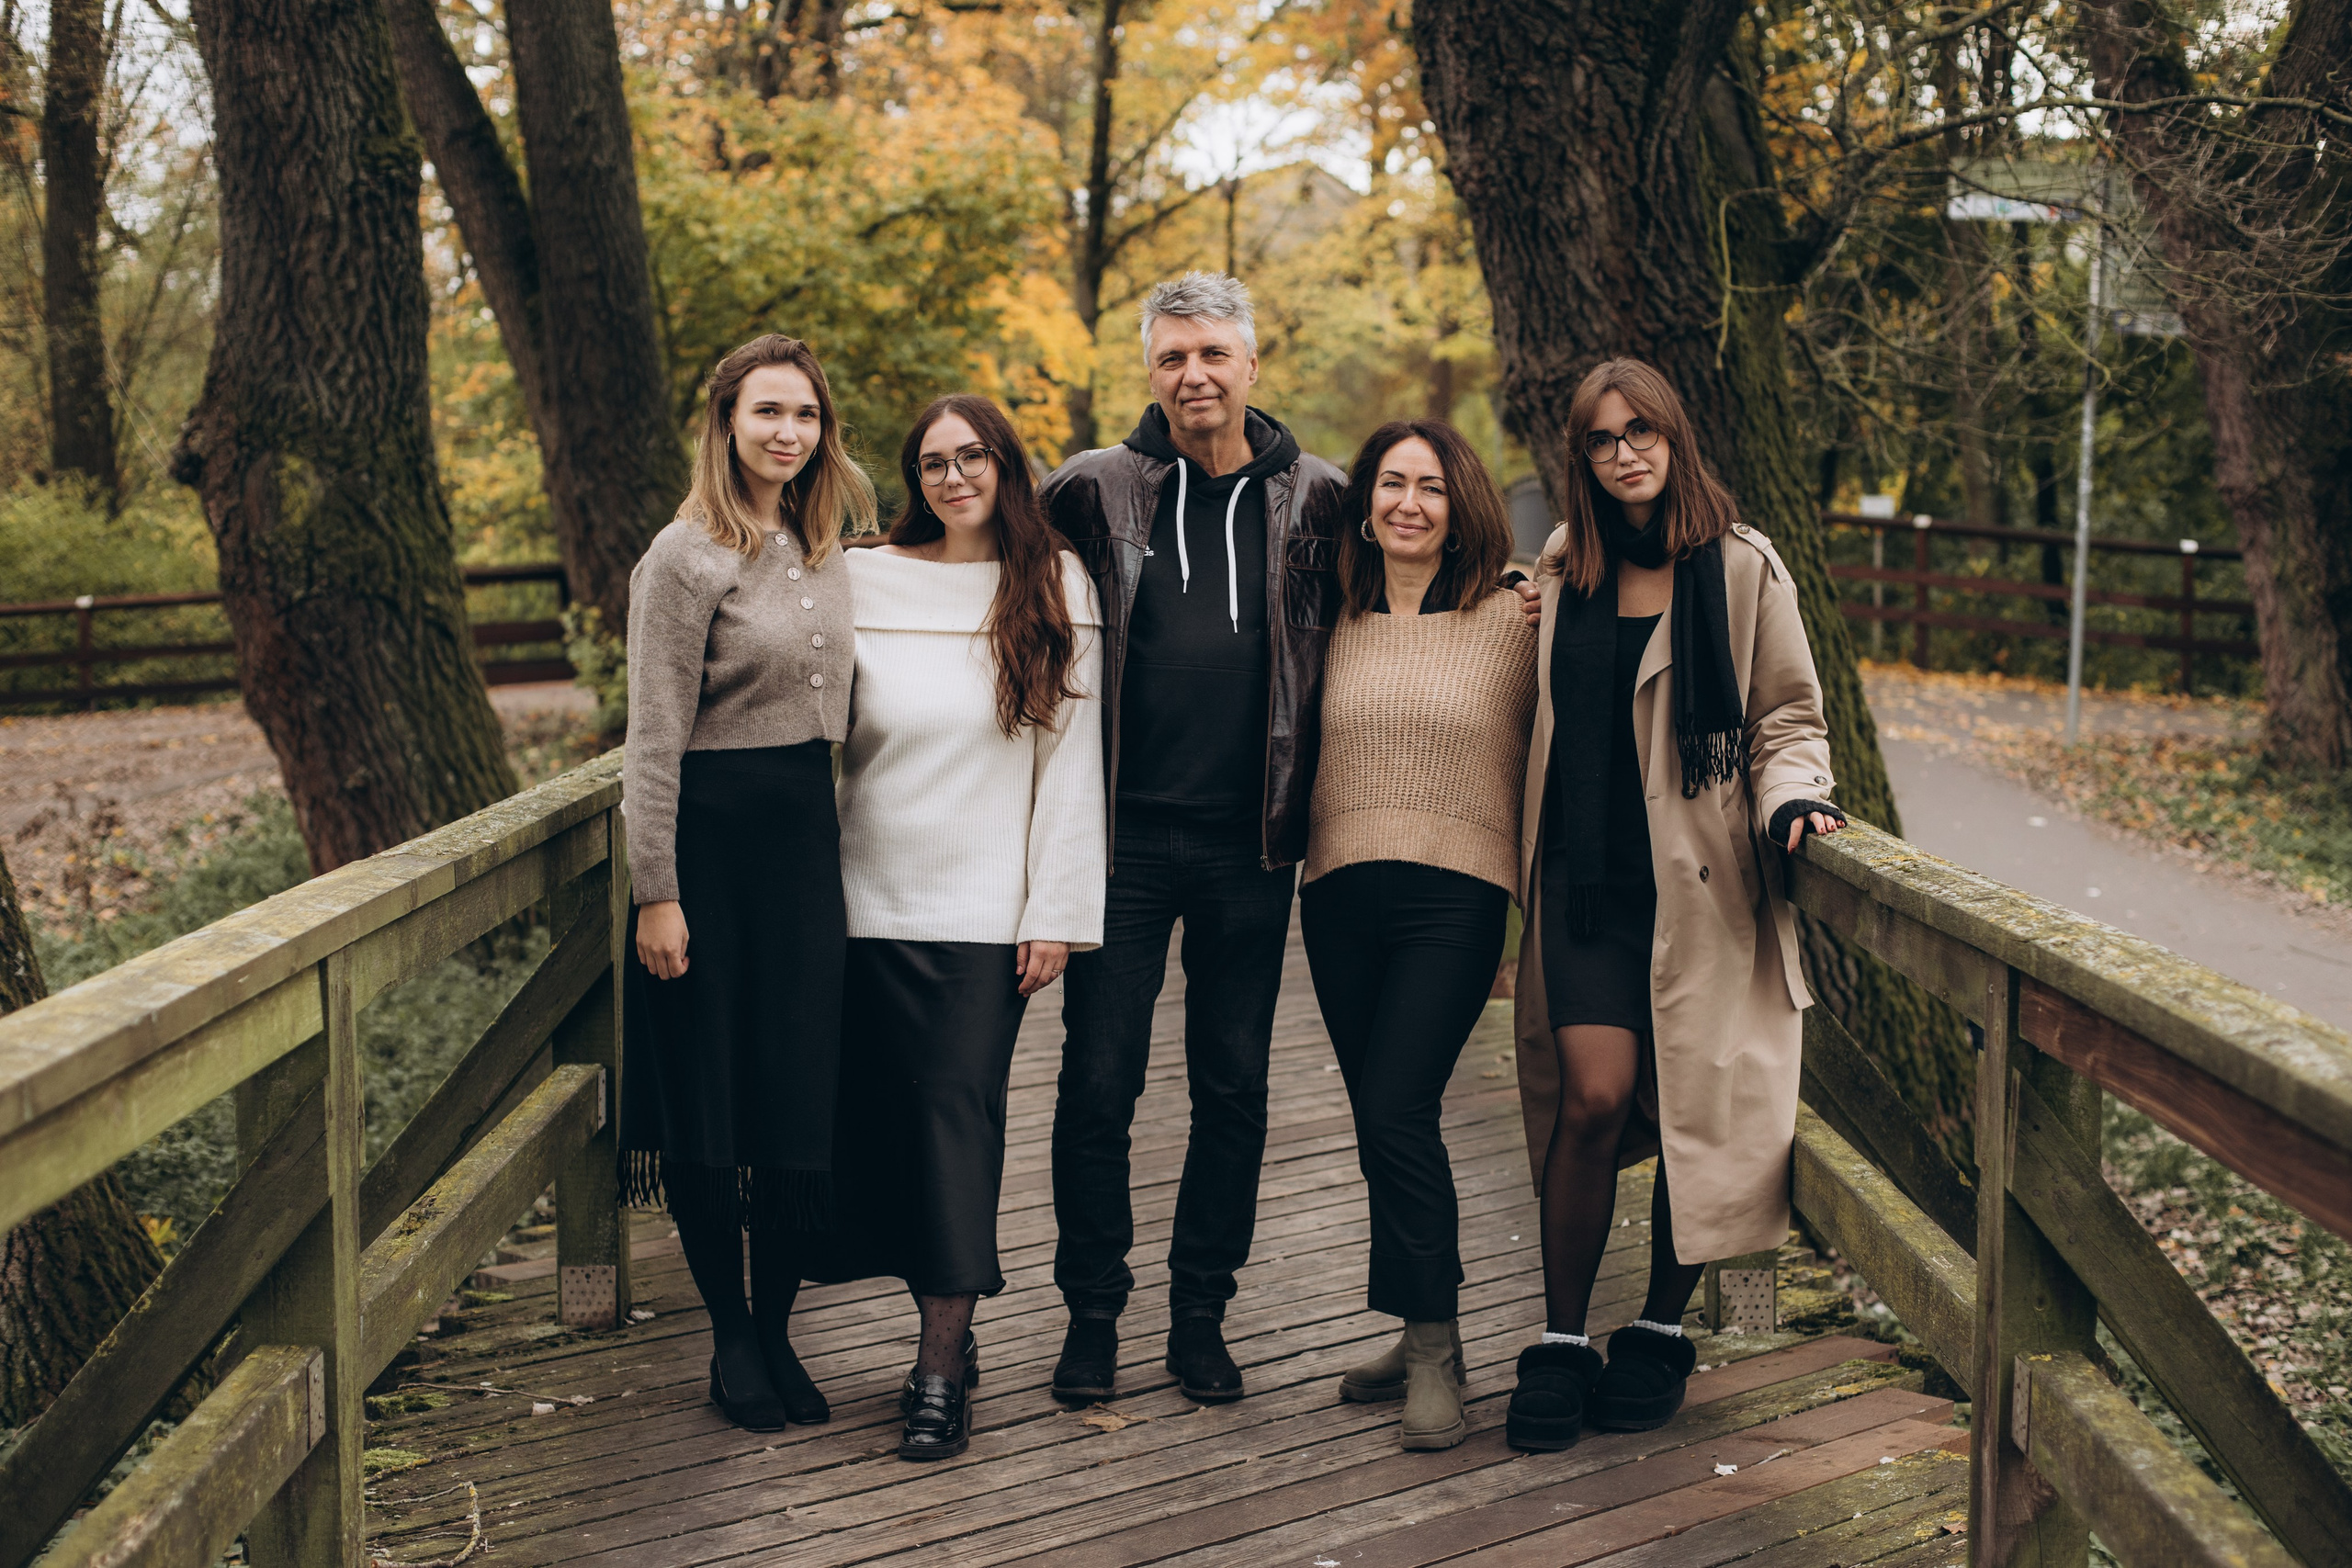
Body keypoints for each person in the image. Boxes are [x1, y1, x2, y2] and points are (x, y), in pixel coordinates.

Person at [1504, 358, 1848, 1452]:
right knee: (1595, 1099)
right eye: (1602, 440)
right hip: (1585, 884)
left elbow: (1788, 717)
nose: (1623, 454)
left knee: (1702, 1112)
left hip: (1704, 893)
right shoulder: (1565, 567)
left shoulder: (1742, 569)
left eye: (1641, 432)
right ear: (1582, 457)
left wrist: (1794, 797)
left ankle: (1657, 1330)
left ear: (1674, 437)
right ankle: (1561, 1341)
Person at [810, 393, 1105, 1461]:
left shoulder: (1054, 581)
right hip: (858, 907)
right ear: (913, 478)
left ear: (1004, 464)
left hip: (983, 918)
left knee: (955, 1125)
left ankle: (941, 1364)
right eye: (932, 462)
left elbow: (1071, 766)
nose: (953, 476)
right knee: (875, 1131)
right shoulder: (860, 577)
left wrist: (1056, 912)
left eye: (971, 455)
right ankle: (891, 1336)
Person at [620, 333, 876, 1432]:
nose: (788, 433)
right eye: (768, 413)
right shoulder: (681, 558)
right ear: (726, 422)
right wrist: (656, 891)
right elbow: (651, 739)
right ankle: (730, 1336)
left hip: (803, 857)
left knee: (791, 1095)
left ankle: (778, 1330)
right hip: (710, 858)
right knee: (713, 1100)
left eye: (806, 416)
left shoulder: (825, 550)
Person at [1298, 421, 1536, 1451]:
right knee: (1379, 1121)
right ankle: (1414, 1324)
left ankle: (1438, 1349)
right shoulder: (1327, 615)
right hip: (1339, 891)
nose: (1407, 502)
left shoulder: (1512, 616)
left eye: (1429, 487)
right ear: (1363, 504)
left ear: (1461, 502)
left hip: (1458, 895)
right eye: (1389, 484)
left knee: (1398, 1107)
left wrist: (1556, 564)